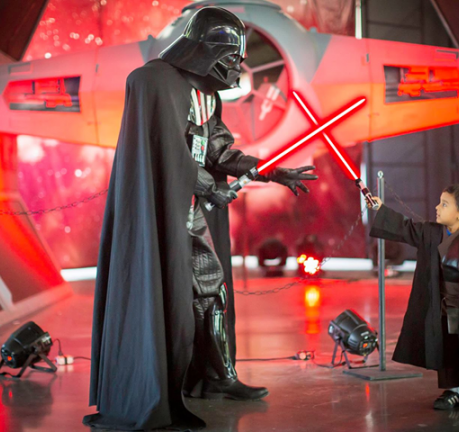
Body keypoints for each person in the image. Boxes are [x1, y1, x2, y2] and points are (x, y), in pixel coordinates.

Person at [85, 6, 317, 431]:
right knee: (176, 293)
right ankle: (166, 390)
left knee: (211, 292)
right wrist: (210, 188)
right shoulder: (154, 82)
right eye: (232, 58)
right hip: (161, 210)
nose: (238, 68)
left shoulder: (207, 95)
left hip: (189, 208)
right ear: (208, 51)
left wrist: (270, 170)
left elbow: (217, 151)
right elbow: (167, 152)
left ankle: (217, 377)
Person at [370, 184, 459, 412]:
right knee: (446, 347)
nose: (437, 207)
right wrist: (381, 209)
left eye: (444, 204)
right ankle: (453, 391)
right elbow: (406, 227)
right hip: (440, 305)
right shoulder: (430, 232)